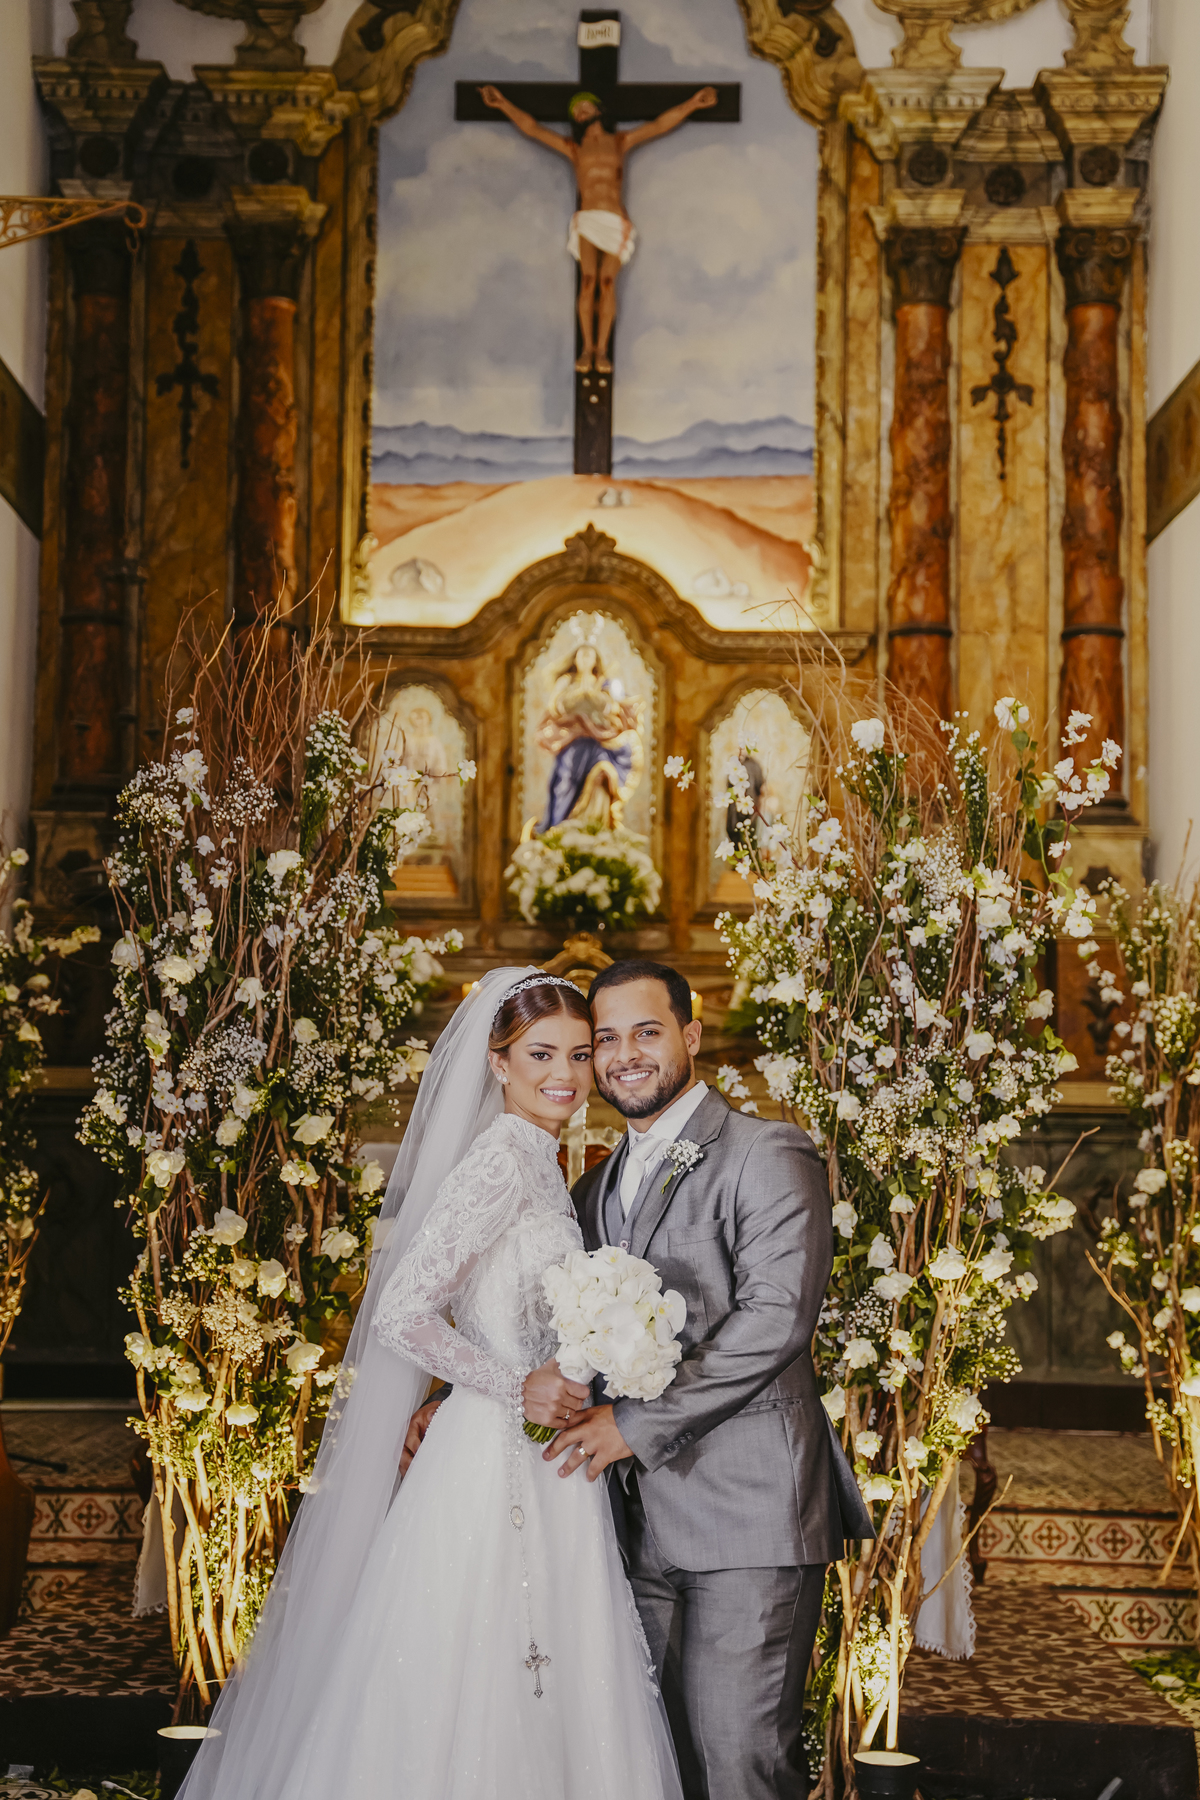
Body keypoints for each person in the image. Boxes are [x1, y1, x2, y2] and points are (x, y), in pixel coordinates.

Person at [177, 967, 682, 1800]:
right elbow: (402, 1312)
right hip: (492, 1456)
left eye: (578, 1054)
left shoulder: (541, 1159)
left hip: (544, 1454)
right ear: (498, 1062)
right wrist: (515, 1384)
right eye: (541, 1054)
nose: (565, 1073)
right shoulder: (502, 1161)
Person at [550, 959, 874, 1800]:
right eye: (606, 1039)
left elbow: (776, 1319)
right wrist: (450, 1402)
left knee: (738, 1764)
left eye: (646, 1032)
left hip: (748, 1518)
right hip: (628, 1528)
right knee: (651, 1769)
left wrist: (634, 1427)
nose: (625, 1055)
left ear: (690, 1036)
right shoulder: (592, 1188)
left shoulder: (766, 1151)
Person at [478, 84, 717, 373]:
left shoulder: (620, 141)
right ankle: (587, 349)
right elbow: (532, 128)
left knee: (606, 282)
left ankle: (602, 350)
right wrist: (502, 104)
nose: (579, 112)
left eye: (584, 106)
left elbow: (658, 125)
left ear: (598, 110)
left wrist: (693, 104)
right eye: (575, 111)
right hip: (588, 218)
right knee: (588, 280)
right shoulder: (574, 148)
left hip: (614, 219)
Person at [535, 642, 644, 832]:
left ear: (595, 660)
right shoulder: (567, 682)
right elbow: (556, 707)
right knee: (567, 778)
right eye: (582, 655)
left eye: (589, 655)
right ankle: (559, 827)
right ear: (575, 659)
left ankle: (596, 829)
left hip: (600, 743)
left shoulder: (604, 683)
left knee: (602, 776)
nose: (585, 659)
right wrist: (579, 696)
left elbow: (614, 707)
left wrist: (593, 697)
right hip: (573, 741)